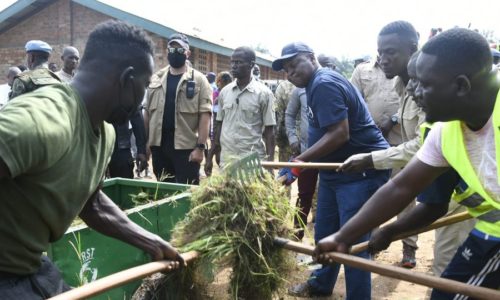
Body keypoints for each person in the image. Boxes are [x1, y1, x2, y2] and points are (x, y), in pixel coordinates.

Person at [0, 20, 183, 299]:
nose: (143, 98)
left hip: (30, 268)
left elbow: (92, 202)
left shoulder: (105, 132)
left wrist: (151, 241)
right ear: (126, 79)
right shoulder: (45, 120)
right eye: (145, 85)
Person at [315, 28, 500, 299]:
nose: (415, 92)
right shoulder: (444, 132)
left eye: (425, 84)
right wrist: (344, 236)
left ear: (461, 86)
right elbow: (401, 187)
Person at [273, 42, 390, 299]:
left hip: (358, 173)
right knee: (325, 232)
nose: (291, 73)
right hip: (333, 171)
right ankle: (320, 283)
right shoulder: (313, 86)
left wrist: (298, 163)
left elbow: (339, 133)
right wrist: (303, 162)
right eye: (286, 70)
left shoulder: (324, 83)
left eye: (294, 65)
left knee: (353, 242)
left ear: (312, 58)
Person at [341, 21, 422, 268]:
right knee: (380, 193)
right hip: (376, 145)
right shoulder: (398, 82)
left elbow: (423, 146)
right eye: (381, 52)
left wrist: (370, 158)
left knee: (405, 194)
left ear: (412, 49)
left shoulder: (424, 84)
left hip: (403, 147)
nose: (384, 59)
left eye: (391, 52)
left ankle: (408, 247)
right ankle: (373, 240)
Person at [144, 33, 212, 185]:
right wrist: (146, 143)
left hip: (186, 149)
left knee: (186, 194)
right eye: (172, 50)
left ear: (187, 53)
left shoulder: (199, 80)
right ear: (167, 52)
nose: (175, 54)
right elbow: (147, 113)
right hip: (159, 147)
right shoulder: (156, 78)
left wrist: (200, 148)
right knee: (163, 192)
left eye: (180, 50)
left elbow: (205, 116)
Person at [215, 46, 276, 165]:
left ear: (251, 64)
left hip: (252, 161)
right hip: (227, 159)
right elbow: (219, 124)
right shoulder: (225, 92)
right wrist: (214, 151)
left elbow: (270, 132)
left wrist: (270, 164)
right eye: (232, 62)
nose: (233, 66)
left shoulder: (264, 94)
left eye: (238, 62)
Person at [285, 87, 318, 240]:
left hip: (330, 155)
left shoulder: (334, 87)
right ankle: (297, 235)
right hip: (306, 153)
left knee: (326, 197)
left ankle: (323, 240)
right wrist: (292, 138)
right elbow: (290, 114)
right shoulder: (300, 90)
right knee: (304, 196)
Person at [205, 71, 232, 176]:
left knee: (217, 147)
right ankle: (210, 168)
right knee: (215, 147)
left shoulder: (224, 92)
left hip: (220, 120)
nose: (219, 83)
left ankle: (214, 169)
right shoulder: (218, 92)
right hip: (217, 120)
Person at [108, 109, 148, 178]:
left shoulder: (127, 99)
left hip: (121, 150)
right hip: (100, 147)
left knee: (124, 184)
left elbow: (136, 117)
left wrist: (141, 151)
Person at [274, 80, 296, 162]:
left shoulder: (284, 87)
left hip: (288, 144)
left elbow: (279, 118)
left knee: (286, 172)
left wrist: (279, 142)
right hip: (314, 146)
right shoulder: (317, 83)